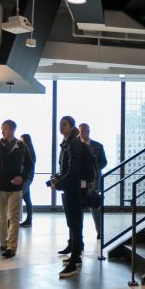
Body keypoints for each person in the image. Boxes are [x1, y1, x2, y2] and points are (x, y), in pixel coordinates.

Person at [0, 120, 32, 258]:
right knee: (1, 217)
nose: (1, 131)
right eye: (1, 129)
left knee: (14, 218)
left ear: (11, 130)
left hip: (15, 188)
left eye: (3, 129)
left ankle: (12, 247)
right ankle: (3, 242)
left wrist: (22, 178)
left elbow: (29, 166)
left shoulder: (22, 146)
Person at [51, 116, 86, 278]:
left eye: (64, 125)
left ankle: (73, 263)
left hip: (74, 190)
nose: (60, 127)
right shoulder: (67, 144)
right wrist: (57, 178)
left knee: (75, 224)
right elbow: (65, 169)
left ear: (72, 127)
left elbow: (73, 172)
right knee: (72, 223)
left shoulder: (74, 144)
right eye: (60, 124)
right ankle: (76, 256)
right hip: (69, 189)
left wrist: (58, 184)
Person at [79, 123, 107, 239]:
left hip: (94, 181)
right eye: (81, 131)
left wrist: (94, 168)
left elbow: (104, 162)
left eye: (86, 130)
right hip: (80, 181)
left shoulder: (98, 146)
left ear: (89, 131)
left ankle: (99, 232)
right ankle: (78, 235)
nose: (84, 132)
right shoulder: (75, 145)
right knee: (79, 206)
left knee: (95, 207)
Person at [19, 134, 36, 227]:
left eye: (22, 141)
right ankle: (29, 220)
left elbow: (26, 166)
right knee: (27, 199)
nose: (20, 143)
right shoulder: (30, 150)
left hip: (26, 178)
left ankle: (13, 220)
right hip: (28, 178)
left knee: (18, 198)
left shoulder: (28, 151)